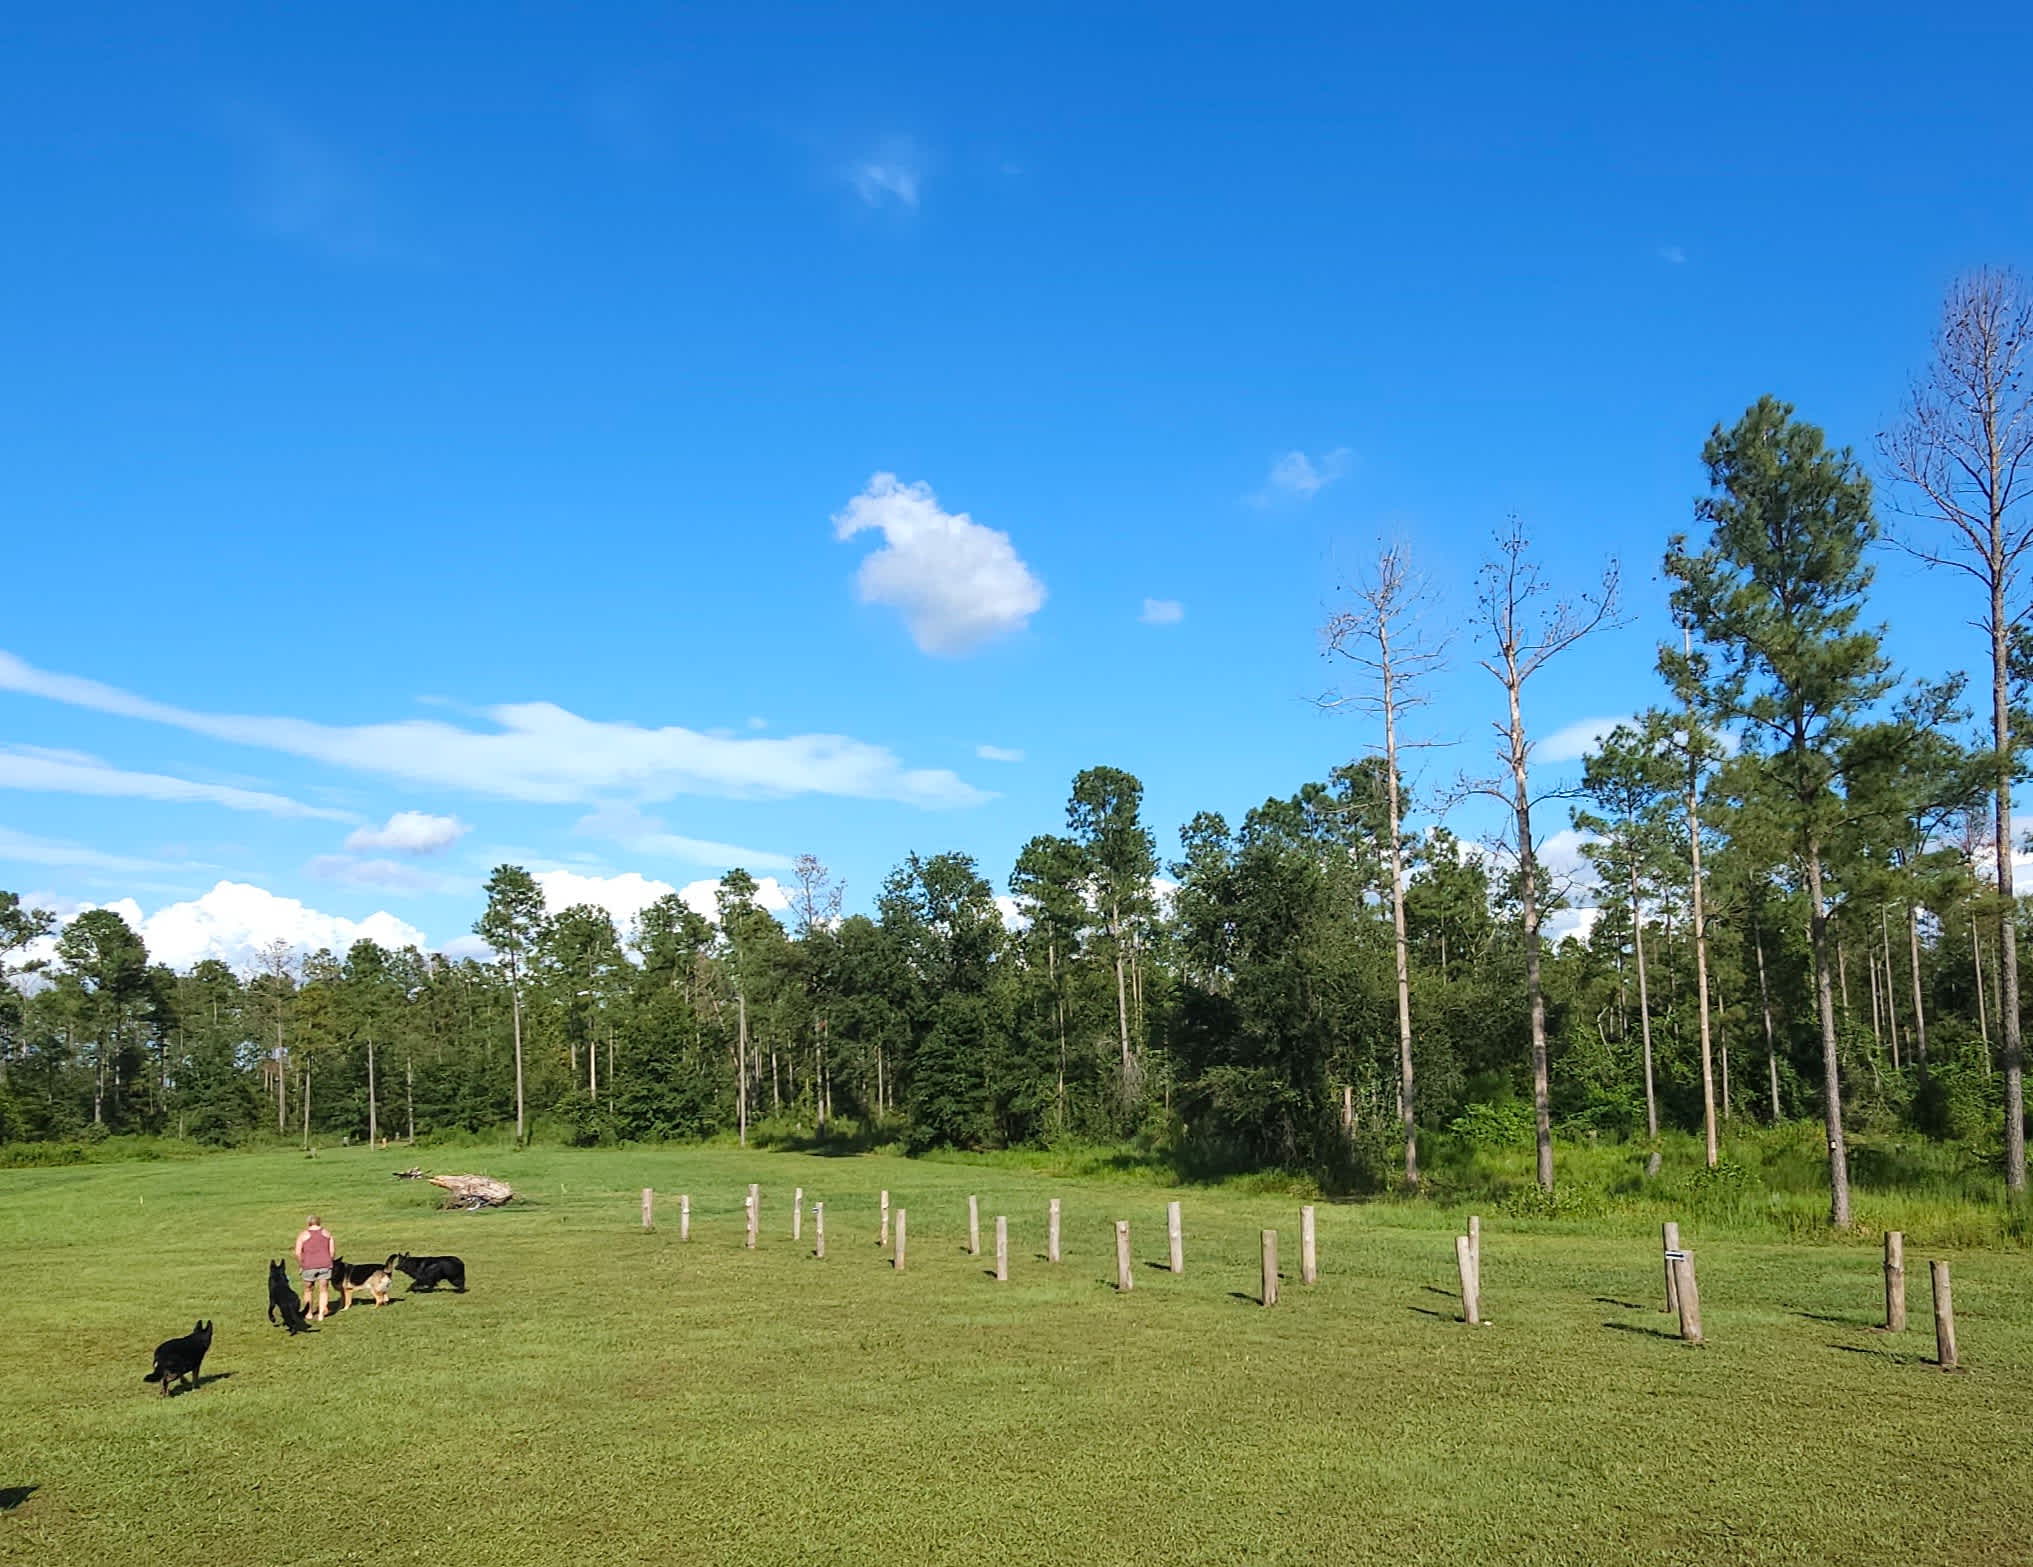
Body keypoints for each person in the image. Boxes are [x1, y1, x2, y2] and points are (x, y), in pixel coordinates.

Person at [295, 1214, 336, 1322]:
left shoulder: (303, 1235)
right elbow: (332, 1251)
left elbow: (298, 1253)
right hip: (325, 1264)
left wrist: (301, 1265)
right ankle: (321, 1314)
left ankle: (308, 1313)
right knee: (324, 1289)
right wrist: (329, 1261)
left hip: (308, 1266)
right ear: (319, 1222)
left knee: (308, 1289)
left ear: (308, 1222)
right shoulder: (327, 1234)